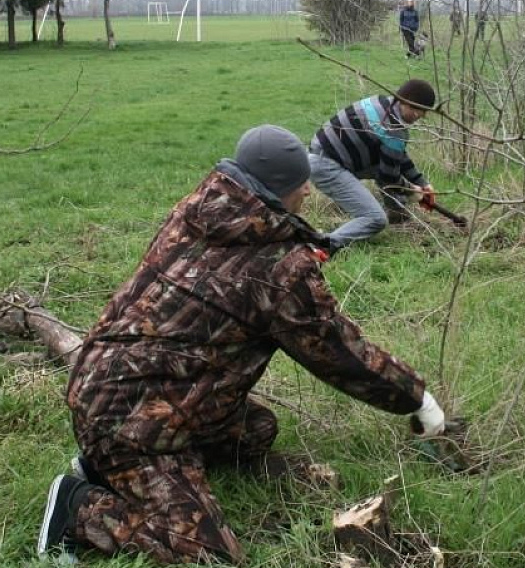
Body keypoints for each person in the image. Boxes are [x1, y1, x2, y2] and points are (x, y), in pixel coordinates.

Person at [37, 125, 448, 565]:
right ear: (276, 189)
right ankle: (78, 504)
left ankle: (106, 467)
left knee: (256, 431)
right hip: (131, 418)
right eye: (299, 183)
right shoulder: (279, 269)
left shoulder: (200, 210)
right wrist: (416, 397)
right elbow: (340, 354)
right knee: (209, 555)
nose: (308, 190)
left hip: (114, 384)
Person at [308, 79, 439, 251]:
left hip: (320, 154)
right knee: (375, 219)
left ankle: (397, 214)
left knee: (385, 167)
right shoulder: (393, 128)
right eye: (420, 111)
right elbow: (389, 178)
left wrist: (421, 183)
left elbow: (395, 156)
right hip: (327, 166)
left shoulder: (382, 103)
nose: (421, 116)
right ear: (407, 103)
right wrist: (413, 192)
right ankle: (322, 246)